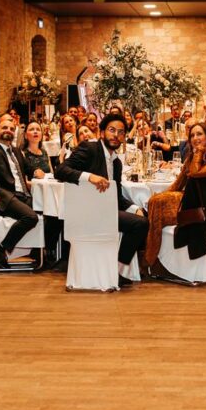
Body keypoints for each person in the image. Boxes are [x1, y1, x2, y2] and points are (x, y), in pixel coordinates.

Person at [55, 113, 148, 283]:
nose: (116, 135)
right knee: (139, 224)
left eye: (121, 132)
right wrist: (89, 176)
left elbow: (117, 196)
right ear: (102, 132)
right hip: (86, 213)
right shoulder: (90, 149)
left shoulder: (117, 163)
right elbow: (60, 170)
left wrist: (136, 209)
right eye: (112, 130)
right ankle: (115, 271)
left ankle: (116, 269)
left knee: (143, 218)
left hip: (105, 212)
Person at [144, 123, 206, 266]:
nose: (195, 138)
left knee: (157, 206)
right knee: (155, 201)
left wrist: (198, 153)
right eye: (192, 135)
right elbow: (178, 184)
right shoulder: (191, 158)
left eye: (199, 134)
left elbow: (195, 174)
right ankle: (152, 255)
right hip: (191, 203)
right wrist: (159, 196)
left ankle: (151, 258)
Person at [0, 116, 39, 269]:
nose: (8, 131)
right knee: (31, 217)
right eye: (4, 128)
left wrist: (37, 171)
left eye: (11, 129)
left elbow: (28, 168)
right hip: (5, 195)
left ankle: (42, 255)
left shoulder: (16, 151)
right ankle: (1, 248)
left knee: (50, 213)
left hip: (23, 195)